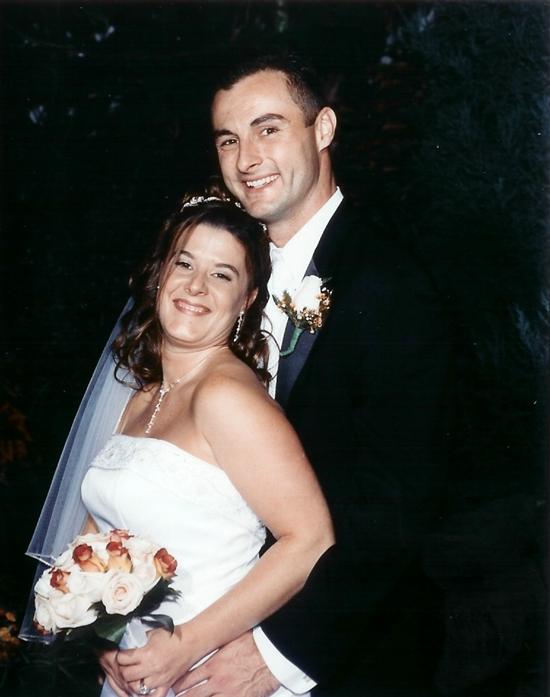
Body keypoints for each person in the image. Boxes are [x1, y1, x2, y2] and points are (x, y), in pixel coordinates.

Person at [117, 52, 453, 697]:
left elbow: (399, 508)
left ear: (323, 129)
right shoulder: (217, 282)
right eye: (228, 139)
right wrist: (111, 621)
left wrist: (275, 656)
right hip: (187, 634)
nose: (246, 158)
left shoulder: (393, 285)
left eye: (267, 129)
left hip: (335, 657)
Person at [26, 191, 335, 697]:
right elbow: (97, 535)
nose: (196, 286)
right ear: (160, 275)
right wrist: (102, 639)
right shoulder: (141, 395)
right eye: (185, 263)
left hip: (204, 672)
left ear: (246, 301)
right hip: (134, 671)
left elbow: (311, 540)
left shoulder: (227, 397)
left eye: (222, 275)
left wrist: (186, 646)